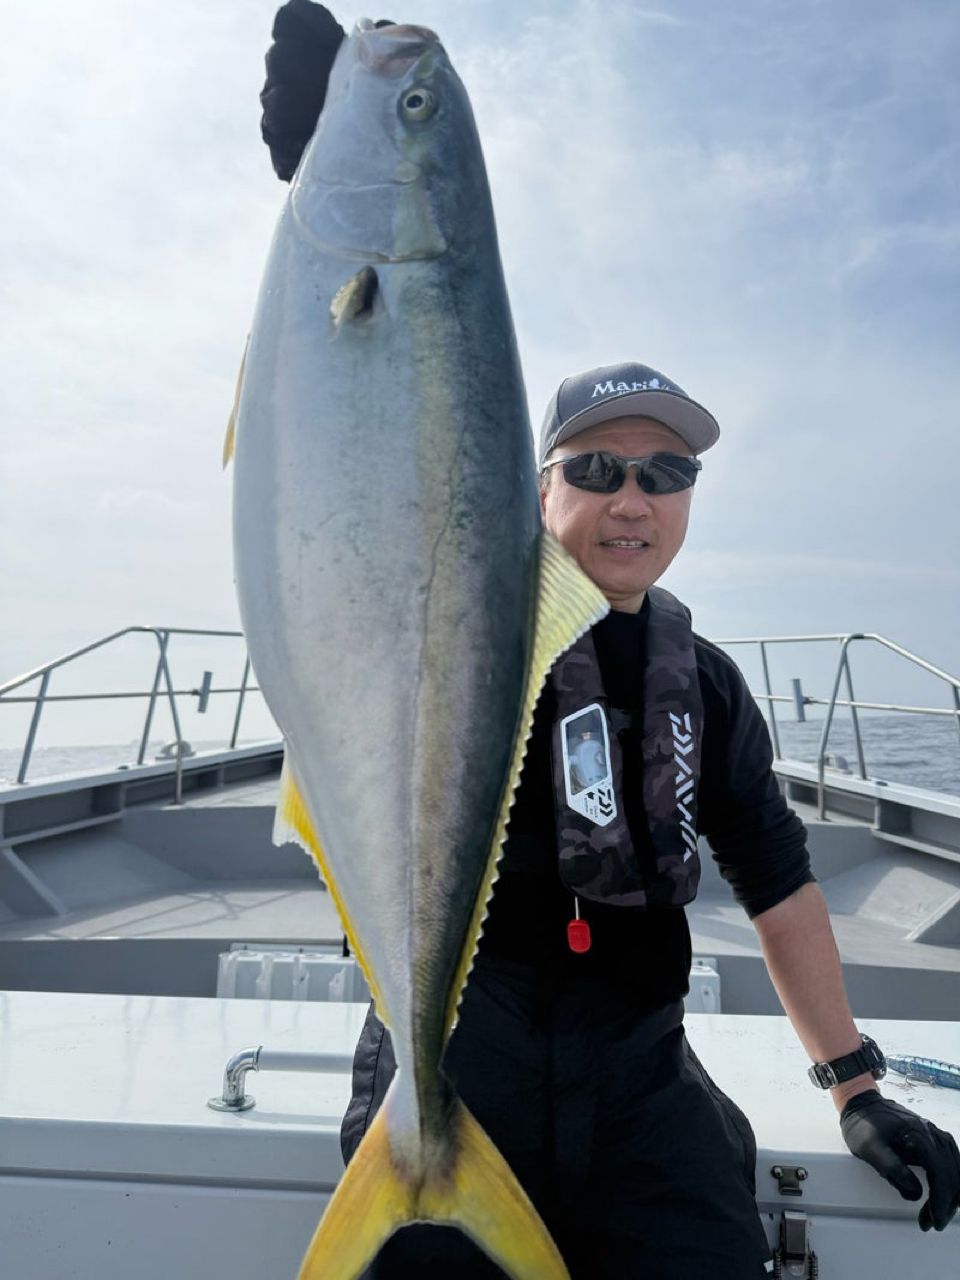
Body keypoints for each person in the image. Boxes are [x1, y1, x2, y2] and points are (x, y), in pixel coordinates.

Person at [258, 8, 960, 1276]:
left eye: (665, 469)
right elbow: (357, 455)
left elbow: (782, 881)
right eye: (597, 466)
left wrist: (854, 1081)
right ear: (538, 490)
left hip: (642, 1079)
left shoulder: (709, 685)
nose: (633, 496)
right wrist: (320, 171)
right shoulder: (455, 614)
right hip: (456, 1052)